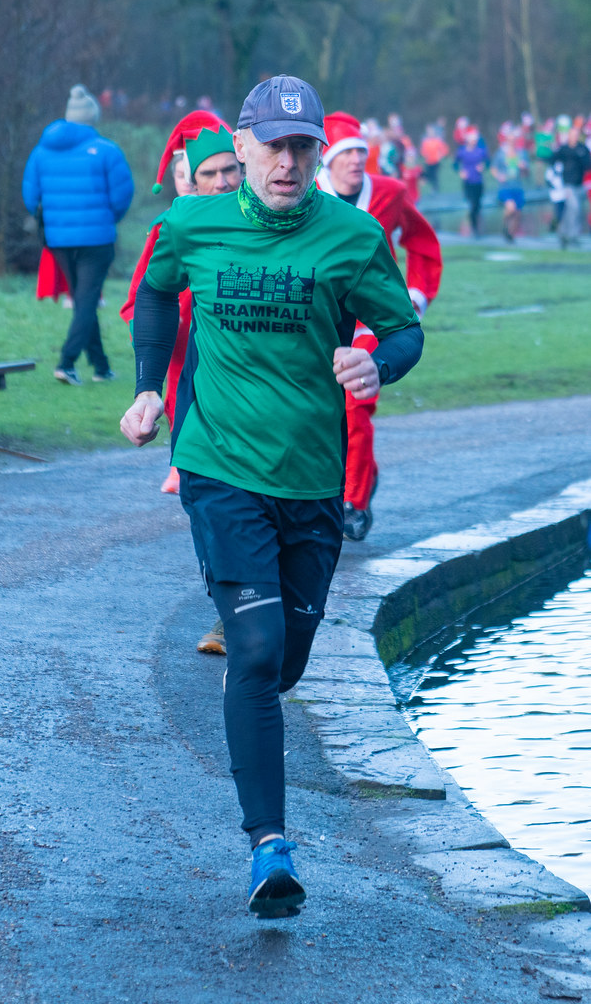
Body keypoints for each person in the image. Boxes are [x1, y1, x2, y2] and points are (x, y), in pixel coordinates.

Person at [119, 75, 423, 918]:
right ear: (240, 146)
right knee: (252, 653)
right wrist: (150, 390)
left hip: (311, 481)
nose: (287, 162)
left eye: (302, 148)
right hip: (220, 469)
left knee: (282, 661)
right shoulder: (191, 223)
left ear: (314, 155)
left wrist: (377, 362)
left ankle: (262, 768)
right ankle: (269, 850)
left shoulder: (352, 237)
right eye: (273, 145)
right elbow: (153, 294)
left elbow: (402, 328)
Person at [316, 111, 441, 541]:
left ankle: (354, 502)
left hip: (372, 318)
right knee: (320, 407)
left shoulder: (388, 192)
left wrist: (418, 293)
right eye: (345, 154)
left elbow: (422, 240)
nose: (355, 162)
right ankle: (338, 486)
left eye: (360, 154)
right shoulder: (306, 198)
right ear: (326, 161)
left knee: (357, 401)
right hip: (321, 320)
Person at [120, 110, 242, 496]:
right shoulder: (168, 230)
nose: (222, 183)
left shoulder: (267, 221)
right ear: (190, 181)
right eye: (209, 174)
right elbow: (141, 302)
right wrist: (157, 344)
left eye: (230, 171)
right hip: (186, 375)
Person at [22, 84, 134, 385]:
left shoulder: (40, 151)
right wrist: (109, 219)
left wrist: (50, 221)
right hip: (97, 240)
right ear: (91, 118)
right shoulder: (107, 150)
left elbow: (30, 196)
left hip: (59, 241)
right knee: (85, 301)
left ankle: (101, 367)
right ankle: (66, 363)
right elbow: (123, 195)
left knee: (83, 300)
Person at [550, 126, 591, 248]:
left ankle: (563, 232)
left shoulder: (582, 149)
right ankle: (572, 235)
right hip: (568, 184)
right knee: (575, 207)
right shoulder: (564, 149)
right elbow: (552, 159)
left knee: (573, 211)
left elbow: (588, 165)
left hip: (580, 184)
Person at [490, 132, 527, 243]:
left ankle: (510, 234)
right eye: (509, 140)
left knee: (517, 214)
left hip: (518, 187)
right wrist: (499, 176)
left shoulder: (521, 153)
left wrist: (523, 168)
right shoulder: (501, 153)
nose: (511, 142)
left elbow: (526, 173)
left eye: (513, 140)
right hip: (505, 187)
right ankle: (505, 225)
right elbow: (493, 168)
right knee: (511, 208)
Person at [454, 126, 490, 236]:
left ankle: (476, 226)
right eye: (472, 139)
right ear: (468, 140)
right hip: (468, 182)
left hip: (478, 182)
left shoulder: (481, 151)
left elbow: (488, 162)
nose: (474, 141)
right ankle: (474, 228)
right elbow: (455, 164)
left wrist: (483, 166)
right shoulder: (462, 151)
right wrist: (461, 172)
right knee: (473, 204)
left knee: (478, 205)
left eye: (475, 139)